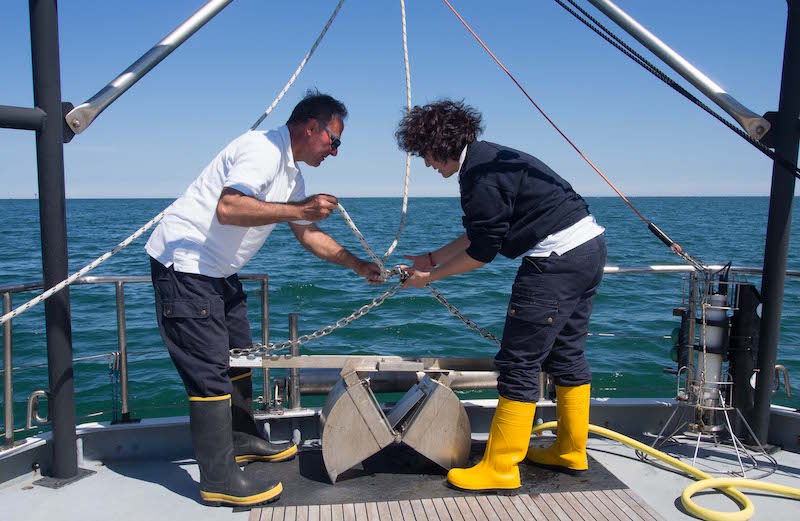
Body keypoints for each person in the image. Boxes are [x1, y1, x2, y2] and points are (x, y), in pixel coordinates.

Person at [145, 90, 382, 506]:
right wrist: (299, 210)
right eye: (334, 141)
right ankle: (219, 479)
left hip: (219, 273)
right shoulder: (263, 150)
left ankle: (240, 440)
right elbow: (230, 207)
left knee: (240, 356)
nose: (335, 152)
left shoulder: (292, 175)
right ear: (312, 127)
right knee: (210, 375)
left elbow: (308, 233)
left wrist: (357, 265)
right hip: (186, 268)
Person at [395, 99, 606, 491]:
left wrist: (431, 276)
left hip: (555, 260)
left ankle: (501, 466)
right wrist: (431, 257)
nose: (426, 164)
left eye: (424, 154)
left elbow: (482, 252)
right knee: (567, 354)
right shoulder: (487, 159)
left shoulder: (477, 175)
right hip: (588, 248)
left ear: (439, 143)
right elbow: (483, 229)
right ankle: (570, 450)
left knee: (519, 362)